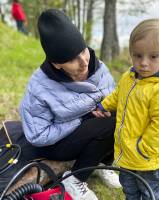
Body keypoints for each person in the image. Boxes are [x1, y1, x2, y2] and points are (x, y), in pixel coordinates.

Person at [19, 9, 121, 200]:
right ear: (57, 64)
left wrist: (105, 109)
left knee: (122, 116)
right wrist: (84, 117)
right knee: (109, 125)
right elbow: (37, 135)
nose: (83, 62)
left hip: (87, 127)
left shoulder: (98, 67)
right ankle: (74, 180)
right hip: (55, 143)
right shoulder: (39, 87)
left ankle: (100, 164)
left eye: (83, 51)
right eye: (72, 59)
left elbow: (113, 96)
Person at [93, 18, 159, 200]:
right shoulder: (130, 77)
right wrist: (104, 105)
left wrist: (143, 148)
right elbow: (119, 94)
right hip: (126, 153)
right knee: (129, 188)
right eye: (137, 55)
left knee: (149, 192)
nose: (143, 63)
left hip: (148, 160)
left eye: (153, 56)